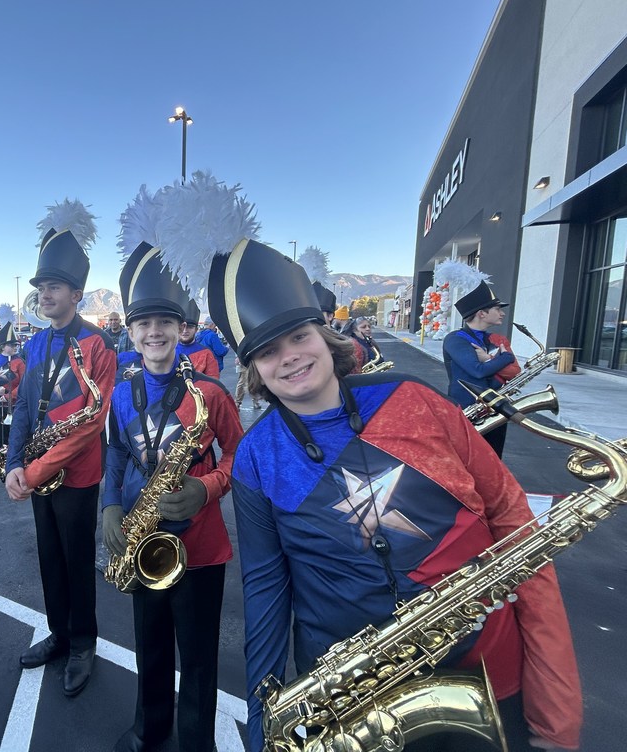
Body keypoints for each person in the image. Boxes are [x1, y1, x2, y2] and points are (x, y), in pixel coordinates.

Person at [207, 238, 581, 752]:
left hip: (491, 677)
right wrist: (262, 727)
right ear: (253, 371)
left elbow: (516, 528)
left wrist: (555, 716)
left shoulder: (414, 398)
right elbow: (266, 593)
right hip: (353, 701)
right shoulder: (255, 456)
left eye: (297, 336)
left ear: (323, 334)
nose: (288, 358)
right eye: (266, 351)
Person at [103, 240, 243, 752]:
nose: (154, 331)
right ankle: (149, 727)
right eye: (144, 323)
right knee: (151, 646)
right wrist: (111, 505)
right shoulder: (122, 392)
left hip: (200, 550)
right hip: (145, 541)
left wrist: (207, 488)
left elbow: (240, 456)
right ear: (132, 331)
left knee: (200, 658)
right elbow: (116, 455)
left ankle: (195, 743)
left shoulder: (210, 392)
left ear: (181, 328)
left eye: (164, 321)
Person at [5, 207, 116, 698]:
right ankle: (59, 633)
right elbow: (25, 406)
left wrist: (35, 469)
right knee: (48, 558)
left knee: (75, 560)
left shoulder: (99, 345)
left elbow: (91, 422)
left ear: (76, 294)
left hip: (77, 475)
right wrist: (12, 463)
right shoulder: (36, 344)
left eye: (54, 287)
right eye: (41, 287)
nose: (45, 294)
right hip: (35, 469)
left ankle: (83, 644)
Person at [442, 281, 521, 457]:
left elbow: (515, 371)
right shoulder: (455, 339)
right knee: (469, 460)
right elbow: (478, 371)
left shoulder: (493, 339)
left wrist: (491, 360)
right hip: (469, 409)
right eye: (497, 309)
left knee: (494, 458)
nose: (502, 313)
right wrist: (505, 357)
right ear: (482, 313)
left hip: (496, 407)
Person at [0, 321, 25, 448]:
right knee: (0, 434)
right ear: (2, 346)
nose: (15, 347)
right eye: (11, 344)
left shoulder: (20, 362)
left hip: (15, 405)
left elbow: (25, 383)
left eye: (16, 344)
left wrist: (10, 395)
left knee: (14, 436)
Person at [176, 301, 219, 378]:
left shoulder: (206, 354)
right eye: (182, 327)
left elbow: (213, 383)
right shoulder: (167, 351)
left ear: (196, 329)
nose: (185, 331)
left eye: (190, 327)